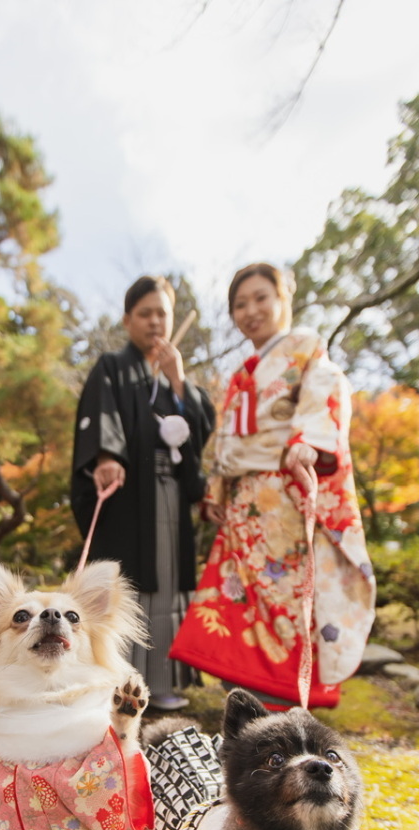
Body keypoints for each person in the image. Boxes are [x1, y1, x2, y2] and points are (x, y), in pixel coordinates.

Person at [170, 263, 375, 709]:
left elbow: (327, 388)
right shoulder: (243, 371)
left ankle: (281, 698)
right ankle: (245, 695)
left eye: (261, 298)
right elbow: (230, 440)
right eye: (240, 304)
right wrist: (217, 492)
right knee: (238, 595)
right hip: (245, 503)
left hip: (282, 493)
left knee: (282, 594)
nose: (250, 311)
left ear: (285, 299)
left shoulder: (305, 349)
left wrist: (309, 442)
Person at [71, 275, 215, 711]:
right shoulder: (113, 367)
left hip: (170, 494)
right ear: (127, 319)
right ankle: (116, 683)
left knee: (169, 585)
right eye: (145, 313)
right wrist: (105, 456)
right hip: (129, 499)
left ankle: (164, 683)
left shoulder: (178, 377)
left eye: (162, 313)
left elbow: (201, 430)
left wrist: (179, 384)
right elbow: (102, 417)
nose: (155, 321)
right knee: (127, 586)